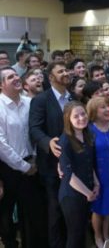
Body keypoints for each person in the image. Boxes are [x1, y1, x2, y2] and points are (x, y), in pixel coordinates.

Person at [0, 67, 47, 248]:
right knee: (6, 216)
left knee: (33, 213)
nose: (16, 78)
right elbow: (1, 144)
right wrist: (24, 166)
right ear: (1, 85)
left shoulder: (29, 102)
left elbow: (35, 132)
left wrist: (34, 159)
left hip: (33, 163)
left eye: (16, 75)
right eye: (10, 77)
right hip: (8, 168)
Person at [29, 61, 72, 248]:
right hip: (51, 165)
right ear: (51, 77)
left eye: (66, 70)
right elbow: (34, 129)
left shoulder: (73, 98)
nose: (65, 73)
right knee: (55, 210)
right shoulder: (41, 100)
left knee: (71, 208)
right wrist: (48, 142)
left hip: (73, 162)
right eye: (60, 71)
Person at [58, 101, 99, 248]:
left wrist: (96, 183)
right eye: (76, 116)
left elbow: (89, 163)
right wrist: (88, 193)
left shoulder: (88, 134)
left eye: (83, 114)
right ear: (68, 120)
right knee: (75, 236)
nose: (81, 118)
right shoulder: (65, 141)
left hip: (87, 192)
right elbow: (69, 175)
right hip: (72, 196)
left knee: (82, 233)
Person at [86, 97, 109, 248]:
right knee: (97, 208)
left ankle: (107, 233)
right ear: (94, 112)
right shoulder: (88, 130)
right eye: (103, 107)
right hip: (97, 176)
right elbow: (88, 159)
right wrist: (94, 180)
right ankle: (97, 236)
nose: (108, 109)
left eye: (107, 106)